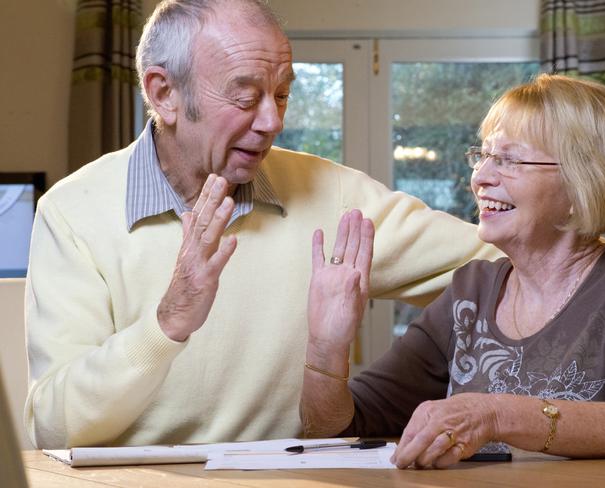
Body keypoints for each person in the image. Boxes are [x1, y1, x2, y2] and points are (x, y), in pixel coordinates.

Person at [24, 0, 498, 449]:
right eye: (246, 96)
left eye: (282, 94)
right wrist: (168, 322)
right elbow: (53, 425)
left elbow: (514, 265)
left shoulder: (330, 194)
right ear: (163, 93)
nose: (272, 121)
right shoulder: (71, 213)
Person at [301, 74, 605, 468]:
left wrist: (497, 414)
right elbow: (340, 427)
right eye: (482, 156)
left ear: (583, 182)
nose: (480, 177)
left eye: (509, 160)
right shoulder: (471, 291)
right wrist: (325, 347)